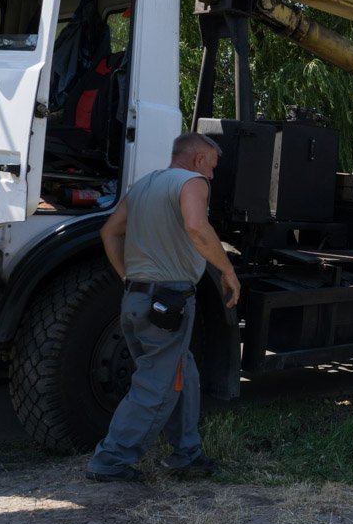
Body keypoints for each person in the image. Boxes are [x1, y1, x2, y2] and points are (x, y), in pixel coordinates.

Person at [86, 133, 241, 483]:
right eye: (213, 168)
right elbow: (197, 227)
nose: (212, 177)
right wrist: (227, 270)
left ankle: (188, 453)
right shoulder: (193, 181)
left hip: (137, 299)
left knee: (182, 372)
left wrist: (128, 276)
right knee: (155, 384)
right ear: (200, 159)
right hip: (169, 302)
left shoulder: (144, 185)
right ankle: (110, 460)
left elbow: (110, 231)